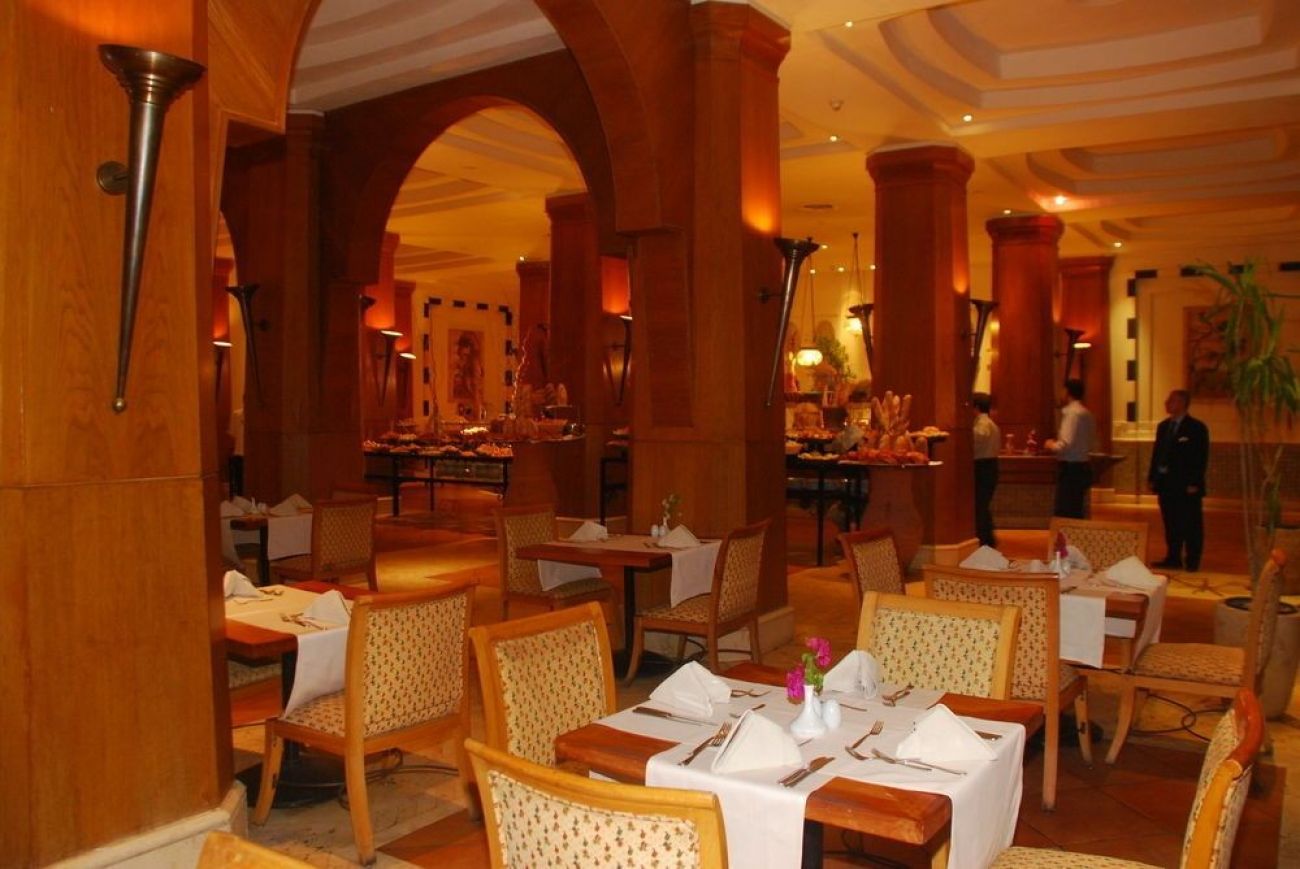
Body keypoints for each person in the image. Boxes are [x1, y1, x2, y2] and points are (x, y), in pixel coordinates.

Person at [1149, 389, 1209, 571]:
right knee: (1171, 522)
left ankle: (1192, 560)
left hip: (1186, 486)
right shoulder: (1163, 427)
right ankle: (1173, 557)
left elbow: (1201, 457)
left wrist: (1194, 482)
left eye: (1172, 400)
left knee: (1191, 523)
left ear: (1183, 403)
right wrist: (1153, 477)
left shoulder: (1196, 428)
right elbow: (1157, 454)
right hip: (1166, 485)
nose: (1167, 403)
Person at [1045, 378, 1096, 518]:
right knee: (1076, 509)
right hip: (1083, 465)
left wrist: (1051, 445)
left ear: (1067, 391)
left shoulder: (1072, 414)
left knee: (1065, 510)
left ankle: (1066, 533)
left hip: (1071, 469)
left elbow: (1066, 443)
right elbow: (1091, 441)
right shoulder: (1086, 413)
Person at [972, 392, 1001, 547]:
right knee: (982, 506)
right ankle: (988, 540)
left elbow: (979, 435)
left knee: (980, 506)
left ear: (976, 407)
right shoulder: (991, 423)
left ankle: (985, 541)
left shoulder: (982, 423)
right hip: (990, 466)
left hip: (982, 468)